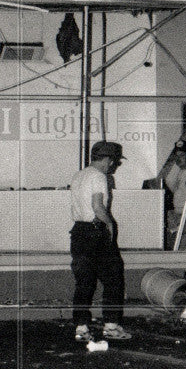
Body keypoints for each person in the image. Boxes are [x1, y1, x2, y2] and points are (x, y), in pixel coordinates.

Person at [69, 141, 131, 341]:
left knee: (84, 282)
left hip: (79, 232)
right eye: (113, 162)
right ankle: (111, 326)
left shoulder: (79, 175)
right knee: (113, 279)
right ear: (107, 160)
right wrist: (110, 224)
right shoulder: (99, 176)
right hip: (96, 232)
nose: (112, 166)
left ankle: (81, 328)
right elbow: (97, 206)